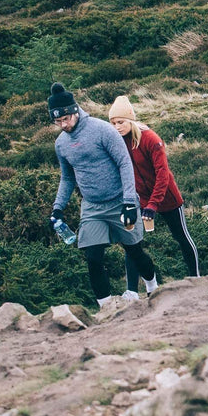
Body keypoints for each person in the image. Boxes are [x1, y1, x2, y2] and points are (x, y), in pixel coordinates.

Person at [48, 82, 158, 308]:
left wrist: (129, 202)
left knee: (134, 251)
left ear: (75, 110)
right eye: (57, 121)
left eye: (66, 119)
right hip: (92, 206)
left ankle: (153, 287)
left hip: (120, 201)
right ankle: (106, 308)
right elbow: (67, 178)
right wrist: (58, 207)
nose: (63, 125)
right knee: (93, 258)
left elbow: (124, 163)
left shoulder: (102, 130)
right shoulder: (61, 144)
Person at [108, 96, 200, 298]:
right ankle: (132, 290)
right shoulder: (117, 142)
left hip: (166, 197)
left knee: (181, 237)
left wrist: (153, 204)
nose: (117, 127)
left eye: (121, 122)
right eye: (113, 123)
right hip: (139, 199)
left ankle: (196, 278)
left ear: (130, 120)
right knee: (132, 244)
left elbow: (163, 174)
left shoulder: (150, 139)